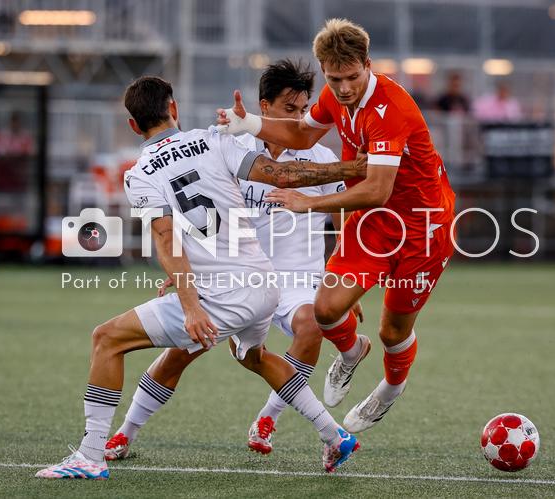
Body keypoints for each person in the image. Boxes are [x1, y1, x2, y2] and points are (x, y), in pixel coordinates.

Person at [35, 75, 364, 480]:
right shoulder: (214, 140)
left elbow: (166, 237)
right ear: (173, 108)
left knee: (107, 339)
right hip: (264, 284)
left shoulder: (140, 174)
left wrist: (190, 305)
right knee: (255, 357)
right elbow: (282, 175)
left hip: (223, 295)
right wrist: (355, 166)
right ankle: (334, 435)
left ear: (133, 126)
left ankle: (90, 455)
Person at [217, 18, 456, 433]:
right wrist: (250, 124)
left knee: (392, 331)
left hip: (423, 230)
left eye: (351, 77)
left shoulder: (391, 110)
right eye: (334, 79)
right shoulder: (334, 95)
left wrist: (308, 202)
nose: (343, 88)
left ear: (368, 65)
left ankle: (390, 388)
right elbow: (302, 135)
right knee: (326, 310)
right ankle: (350, 353)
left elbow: (377, 189)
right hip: (373, 225)